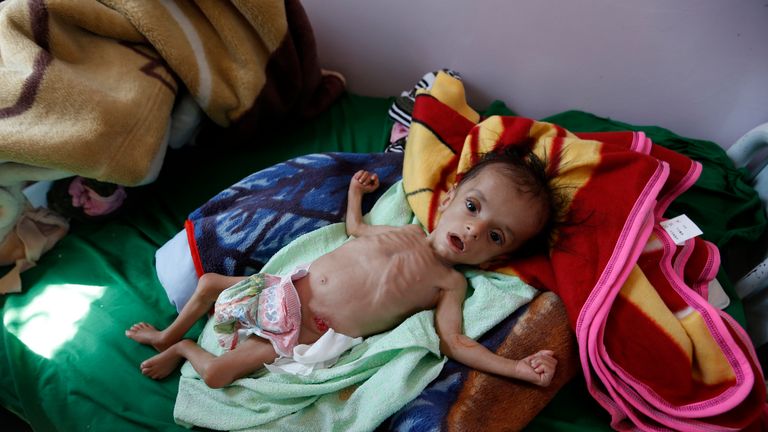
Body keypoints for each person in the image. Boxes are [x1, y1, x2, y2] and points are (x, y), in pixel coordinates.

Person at [126, 148, 559, 389]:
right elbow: (354, 229)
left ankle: (184, 351)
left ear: (496, 259)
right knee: (208, 284)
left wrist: (517, 367)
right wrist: (355, 192)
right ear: (447, 199)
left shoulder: (449, 285)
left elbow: (457, 343)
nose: (474, 228)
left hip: (302, 334)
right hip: (283, 288)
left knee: (218, 375)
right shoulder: (400, 232)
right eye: (472, 206)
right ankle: (167, 336)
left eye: (496, 235)